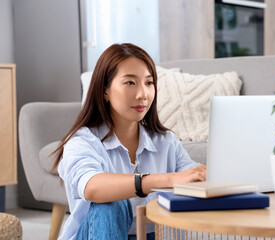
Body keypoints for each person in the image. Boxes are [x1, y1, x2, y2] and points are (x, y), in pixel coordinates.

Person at [52, 43, 206, 240]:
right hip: (98, 234)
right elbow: (91, 187)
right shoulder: (83, 141)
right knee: (109, 201)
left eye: (149, 83)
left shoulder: (165, 142)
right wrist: (164, 180)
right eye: (130, 83)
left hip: (153, 234)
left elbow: (192, 176)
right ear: (105, 90)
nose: (143, 94)